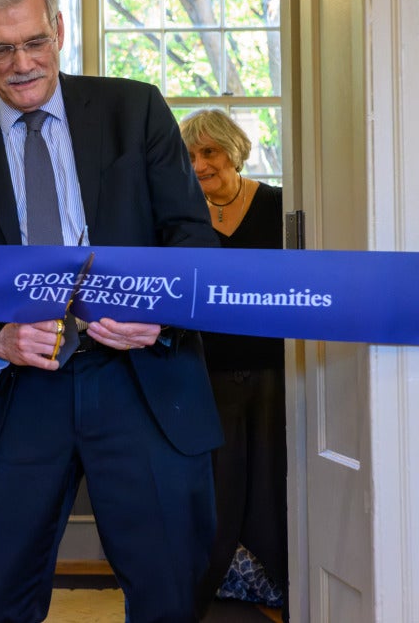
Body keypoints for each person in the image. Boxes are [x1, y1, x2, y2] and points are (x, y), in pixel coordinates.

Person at [0, 0, 222, 623]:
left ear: (57, 30)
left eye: (33, 42)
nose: (21, 63)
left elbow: (193, 236)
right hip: (18, 395)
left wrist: (157, 317)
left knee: (170, 594)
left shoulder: (134, 111)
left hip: (142, 382)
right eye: (0, 48)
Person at [180, 109, 287, 614]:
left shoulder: (278, 205)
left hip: (271, 367)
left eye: (210, 151)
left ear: (234, 150)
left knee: (269, 478)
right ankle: (215, 583)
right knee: (217, 484)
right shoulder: (182, 217)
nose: (200, 163)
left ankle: (275, 582)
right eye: (193, 154)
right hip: (206, 370)